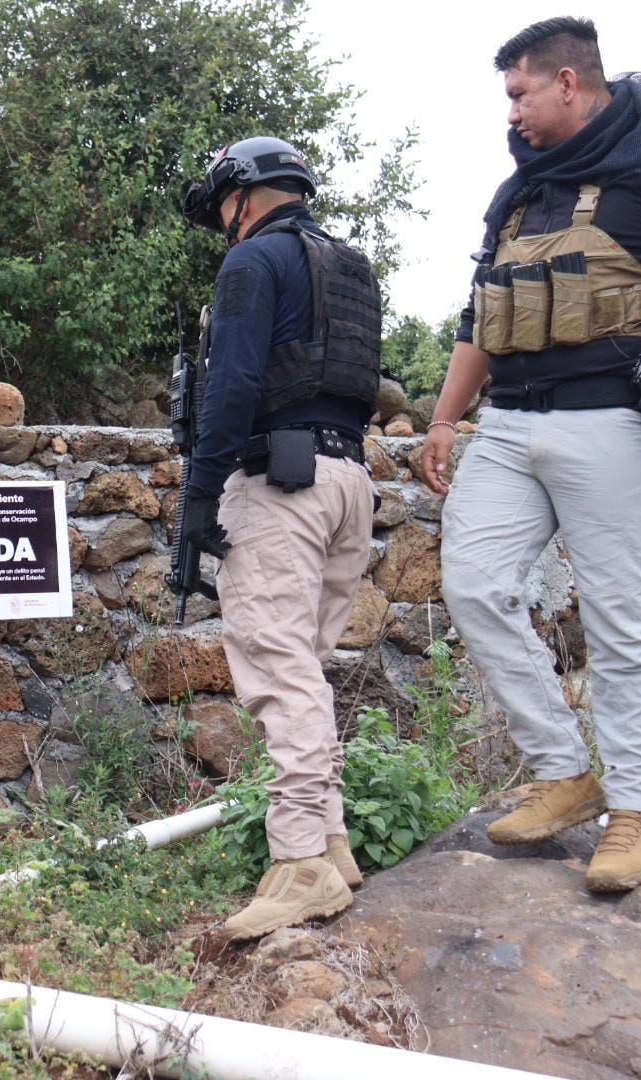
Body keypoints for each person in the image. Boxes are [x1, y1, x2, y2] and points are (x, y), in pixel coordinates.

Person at [422, 18, 641, 892]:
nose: (513, 112)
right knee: (473, 584)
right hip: (510, 425)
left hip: (610, 422)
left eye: (519, 92)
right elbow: (482, 311)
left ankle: (635, 814)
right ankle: (565, 772)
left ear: (569, 81)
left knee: (622, 617)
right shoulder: (519, 190)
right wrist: (445, 420)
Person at [180, 137, 382, 941]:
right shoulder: (346, 266)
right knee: (307, 671)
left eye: (221, 209)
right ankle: (330, 845)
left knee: (275, 669)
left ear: (242, 195)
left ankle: (297, 861)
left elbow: (229, 384)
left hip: (279, 485)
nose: (221, 226)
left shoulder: (252, 263)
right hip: (346, 485)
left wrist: (199, 496)